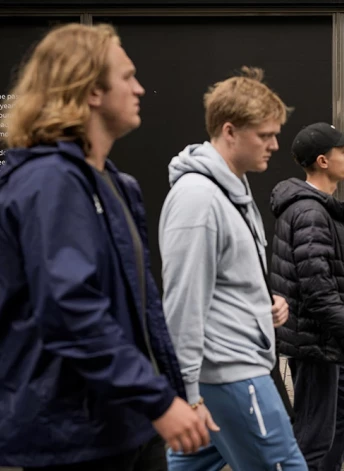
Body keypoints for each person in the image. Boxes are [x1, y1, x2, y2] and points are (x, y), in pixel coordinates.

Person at [0, 23, 209, 471]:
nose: (139, 88)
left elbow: (141, 312)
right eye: (127, 76)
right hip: (73, 433)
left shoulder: (116, 184)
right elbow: (71, 310)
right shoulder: (49, 181)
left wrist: (175, 395)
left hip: (128, 421)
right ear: (91, 91)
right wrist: (159, 400)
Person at [159, 66, 307, 471]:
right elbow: (183, 303)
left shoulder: (231, 190)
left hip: (229, 370)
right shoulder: (198, 199)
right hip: (231, 375)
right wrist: (187, 395)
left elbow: (225, 282)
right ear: (229, 131)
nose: (275, 145)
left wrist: (263, 303)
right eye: (264, 135)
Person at [270, 122, 344, 470]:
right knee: (312, 441)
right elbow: (318, 292)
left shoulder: (314, 207)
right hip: (315, 343)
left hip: (324, 340)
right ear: (322, 160)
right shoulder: (311, 213)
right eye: (342, 150)